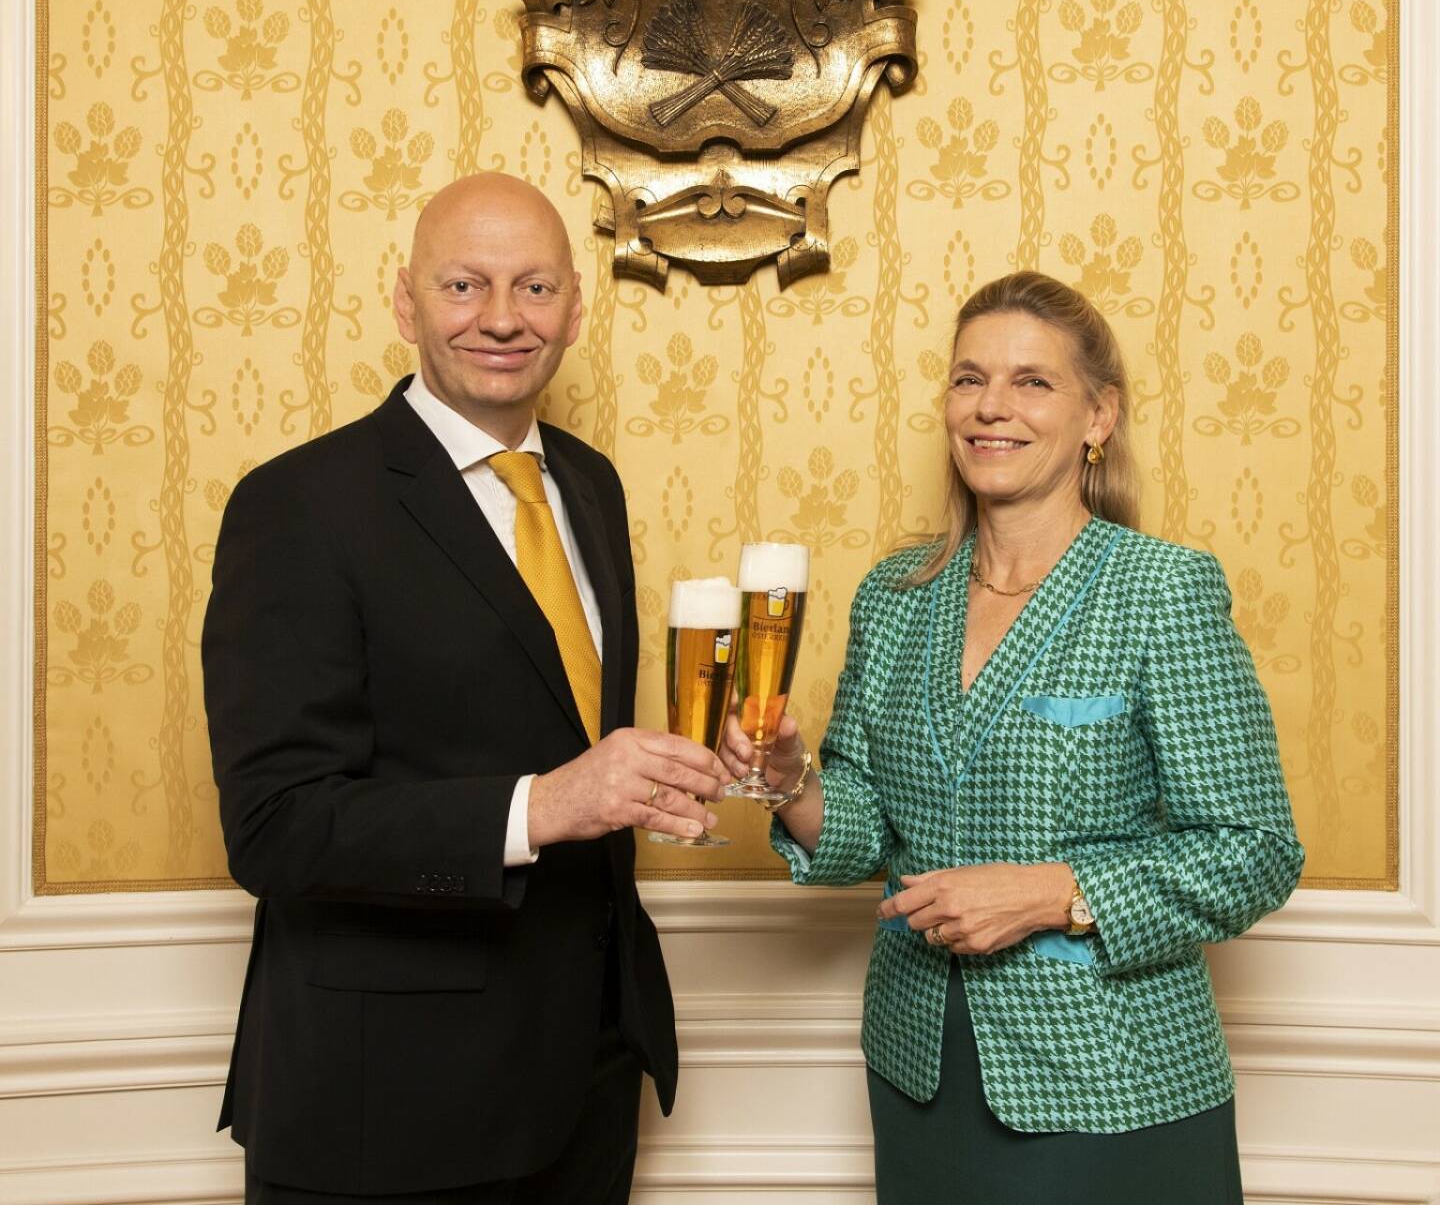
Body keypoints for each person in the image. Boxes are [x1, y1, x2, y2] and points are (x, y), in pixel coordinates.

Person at [203, 171, 729, 1204]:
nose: (501, 318)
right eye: (463, 285)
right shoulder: (299, 506)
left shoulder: (589, 482)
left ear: (574, 308)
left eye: (534, 288)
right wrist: (545, 805)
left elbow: (553, 718)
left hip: (587, 1076)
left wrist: (663, 780)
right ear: (405, 302)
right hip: (390, 1103)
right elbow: (273, 826)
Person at [722, 271, 1304, 1203]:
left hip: (1114, 1086)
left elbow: (1255, 851)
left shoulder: (1161, 591)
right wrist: (791, 784)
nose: (991, 407)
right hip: (919, 1072)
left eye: (1032, 382)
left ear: (1097, 417)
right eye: (968, 379)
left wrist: (1051, 894)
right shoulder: (897, 596)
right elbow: (869, 830)